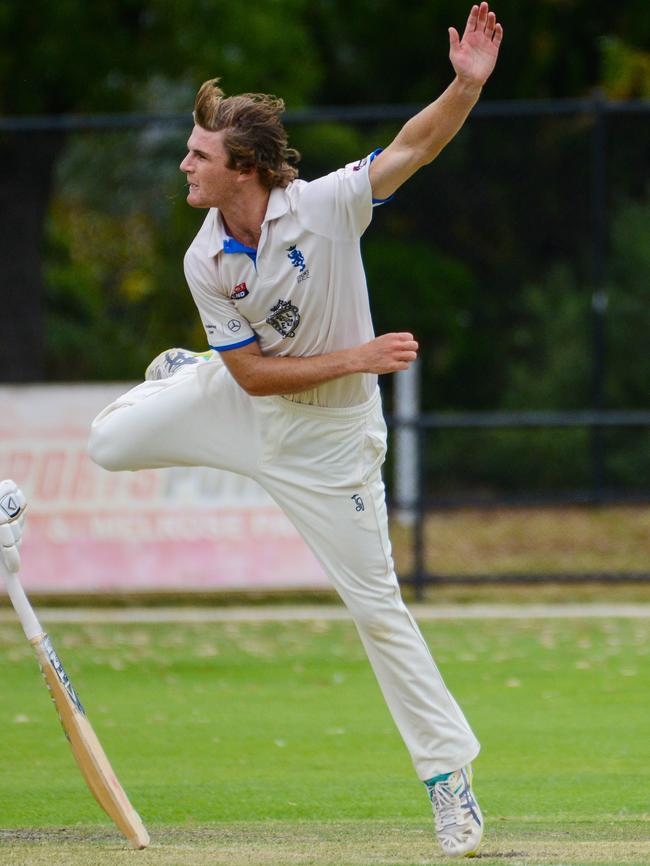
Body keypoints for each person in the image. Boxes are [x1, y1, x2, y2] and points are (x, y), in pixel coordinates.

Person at [88, 3, 502, 857]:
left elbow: (414, 147)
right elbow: (250, 375)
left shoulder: (325, 207)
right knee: (107, 444)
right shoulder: (204, 259)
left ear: (243, 168)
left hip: (332, 446)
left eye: (198, 155)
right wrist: (355, 355)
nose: (184, 165)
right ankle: (180, 373)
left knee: (377, 607)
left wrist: (463, 86)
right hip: (245, 397)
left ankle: (450, 783)